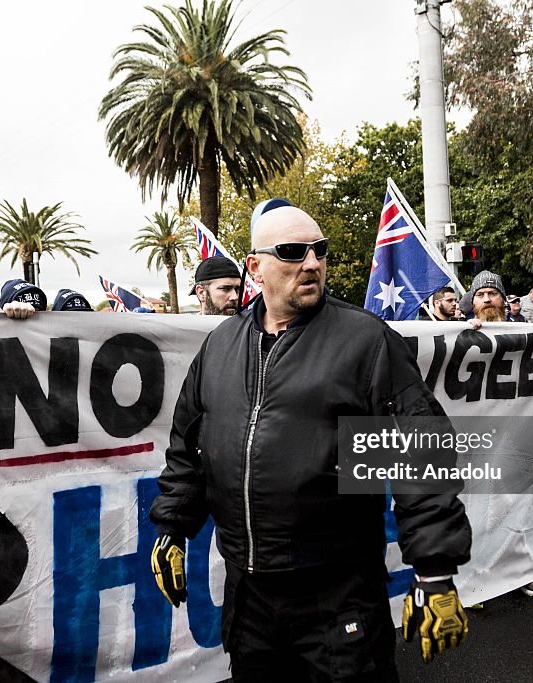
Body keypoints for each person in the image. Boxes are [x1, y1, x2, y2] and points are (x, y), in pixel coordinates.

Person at [149, 204, 471, 679]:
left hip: (338, 596)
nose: (312, 262)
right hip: (250, 599)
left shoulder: (364, 341)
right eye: (292, 252)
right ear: (254, 267)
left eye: (319, 250)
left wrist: (435, 572)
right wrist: (173, 525)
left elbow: (420, 454)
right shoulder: (219, 347)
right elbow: (191, 448)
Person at [462, 270, 533, 598]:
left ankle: (529, 570)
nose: (487, 299)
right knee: (477, 505)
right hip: (476, 439)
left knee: (524, 505)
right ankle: (473, 575)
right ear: (472, 302)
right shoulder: (458, 333)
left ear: (504, 299)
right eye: (480, 295)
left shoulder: (529, 332)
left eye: (493, 293)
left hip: (519, 435)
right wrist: (464, 336)